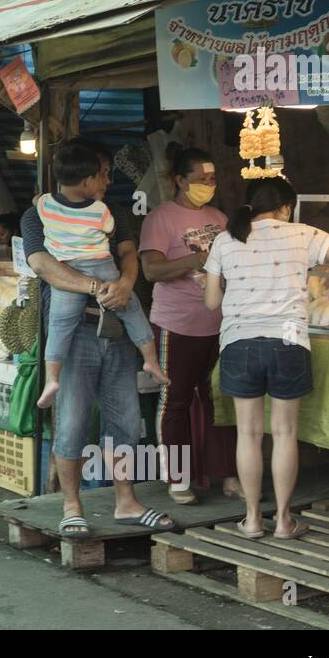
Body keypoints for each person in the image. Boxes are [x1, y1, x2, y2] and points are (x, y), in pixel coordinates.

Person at [21, 146, 176, 538]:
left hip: (116, 331)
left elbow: (127, 252)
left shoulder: (112, 211)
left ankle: (126, 501)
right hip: (75, 334)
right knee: (72, 421)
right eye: (104, 173)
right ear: (85, 176)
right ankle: (72, 505)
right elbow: (42, 264)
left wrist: (124, 284)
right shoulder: (36, 213)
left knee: (124, 419)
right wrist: (95, 287)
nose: (108, 181)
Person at [204, 177, 329, 540]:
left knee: (247, 434)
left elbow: (212, 303)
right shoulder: (302, 234)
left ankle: (250, 520)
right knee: (284, 433)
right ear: (285, 207)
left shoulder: (224, 240)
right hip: (288, 342)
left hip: (239, 343)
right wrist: (326, 273)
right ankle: (282, 521)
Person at [34, 142, 168, 410]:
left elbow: (39, 208)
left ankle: (51, 378)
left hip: (67, 271)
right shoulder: (101, 210)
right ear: (88, 181)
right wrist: (116, 286)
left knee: (59, 326)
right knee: (132, 310)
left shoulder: (45, 205)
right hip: (100, 266)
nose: (105, 182)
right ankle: (151, 360)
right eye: (101, 175)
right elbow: (108, 231)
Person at [140, 146, 238, 504]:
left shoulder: (220, 218)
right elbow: (151, 270)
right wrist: (199, 258)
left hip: (220, 324)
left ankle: (226, 473)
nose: (208, 185)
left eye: (212, 180)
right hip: (175, 325)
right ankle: (177, 479)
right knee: (176, 400)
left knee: (221, 400)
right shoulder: (160, 219)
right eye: (200, 179)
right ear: (180, 180)